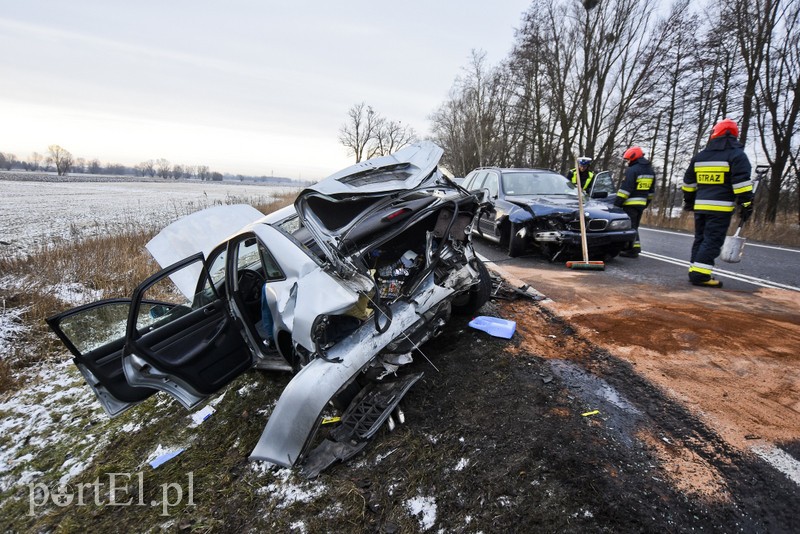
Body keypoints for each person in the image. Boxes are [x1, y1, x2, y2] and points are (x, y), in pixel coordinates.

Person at [682, 118, 753, 288]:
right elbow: (741, 184)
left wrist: (689, 202)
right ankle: (700, 275)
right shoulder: (737, 155)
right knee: (712, 240)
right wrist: (746, 204)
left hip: (700, 206)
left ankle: (695, 269)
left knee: (700, 238)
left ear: (715, 134)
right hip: (720, 207)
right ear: (735, 135)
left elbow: (688, 183)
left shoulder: (700, 157)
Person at [614, 146, 655, 257]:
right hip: (641, 204)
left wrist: (617, 204)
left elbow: (626, 189)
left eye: (628, 160)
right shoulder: (650, 171)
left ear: (633, 158)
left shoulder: (632, 170)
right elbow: (651, 191)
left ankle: (631, 250)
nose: (627, 162)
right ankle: (635, 247)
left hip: (630, 204)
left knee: (629, 227)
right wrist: (646, 203)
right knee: (635, 226)